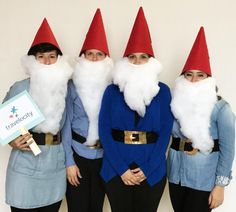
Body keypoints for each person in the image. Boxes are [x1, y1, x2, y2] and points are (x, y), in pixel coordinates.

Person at [99, 7, 173, 212]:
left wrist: (148, 169)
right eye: (133, 57)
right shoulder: (112, 91)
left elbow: (165, 133)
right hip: (116, 169)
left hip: (151, 170)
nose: (138, 62)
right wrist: (122, 170)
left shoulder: (164, 91)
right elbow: (104, 131)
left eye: (143, 57)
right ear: (125, 60)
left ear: (151, 61)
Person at [4, 18, 73, 212]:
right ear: (33, 59)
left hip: (55, 166)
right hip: (26, 166)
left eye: (51, 57)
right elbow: (3, 123)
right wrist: (12, 140)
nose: (47, 61)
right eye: (41, 56)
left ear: (58, 59)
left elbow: (68, 125)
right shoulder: (20, 88)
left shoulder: (65, 89)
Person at [167, 27, 235, 212]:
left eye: (200, 75)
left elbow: (228, 150)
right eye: (189, 75)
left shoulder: (221, 108)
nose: (194, 80)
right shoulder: (174, 104)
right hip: (175, 175)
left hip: (203, 179)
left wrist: (220, 186)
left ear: (208, 79)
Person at [61, 9, 113, 212]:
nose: (93, 58)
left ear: (105, 59)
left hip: (103, 157)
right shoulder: (72, 86)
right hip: (77, 154)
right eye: (89, 54)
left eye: (98, 54)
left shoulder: (113, 87)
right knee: (77, 207)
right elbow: (65, 126)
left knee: (97, 207)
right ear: (83, 57)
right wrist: (69, 162)